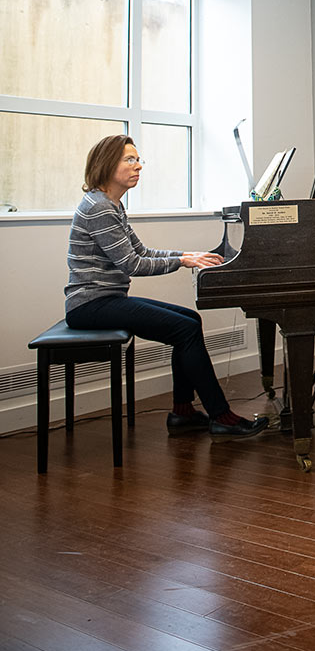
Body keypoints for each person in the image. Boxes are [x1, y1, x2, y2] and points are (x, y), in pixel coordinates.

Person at [65, 135, 271, 439]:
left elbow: (143, 252)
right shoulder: (99, 208)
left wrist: (187, 255)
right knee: (184, 329)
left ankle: (183, 412)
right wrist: (184, 262)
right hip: (90, 306)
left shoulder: (110, 204)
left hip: (103, 301)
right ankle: (222, 417)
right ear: (107, 164)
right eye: (130, 160)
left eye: (139, 160)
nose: (138, 167)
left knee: (190, 321)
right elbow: (133, 265)